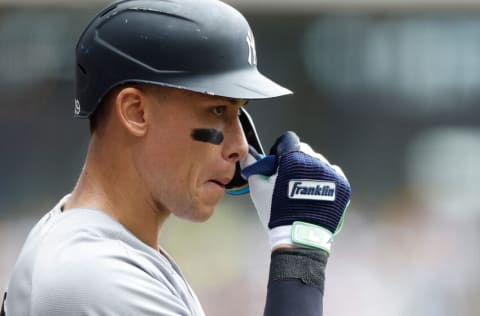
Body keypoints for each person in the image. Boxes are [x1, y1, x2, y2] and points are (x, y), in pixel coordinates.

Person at [1, 0, 351, 315]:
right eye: (217, 110)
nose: (241, 147)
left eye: (238, 114)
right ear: (136, 111)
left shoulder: (103, 246)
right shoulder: (90, 274)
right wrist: (300, 251)